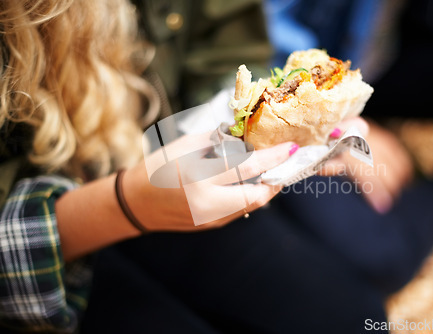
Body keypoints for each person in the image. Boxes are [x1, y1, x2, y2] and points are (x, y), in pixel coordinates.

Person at [0, 0, 370, 332]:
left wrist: (290, 126)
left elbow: (224, 47)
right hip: (52, 245)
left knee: (355, 318)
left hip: (178, 166)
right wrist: (125, 205)